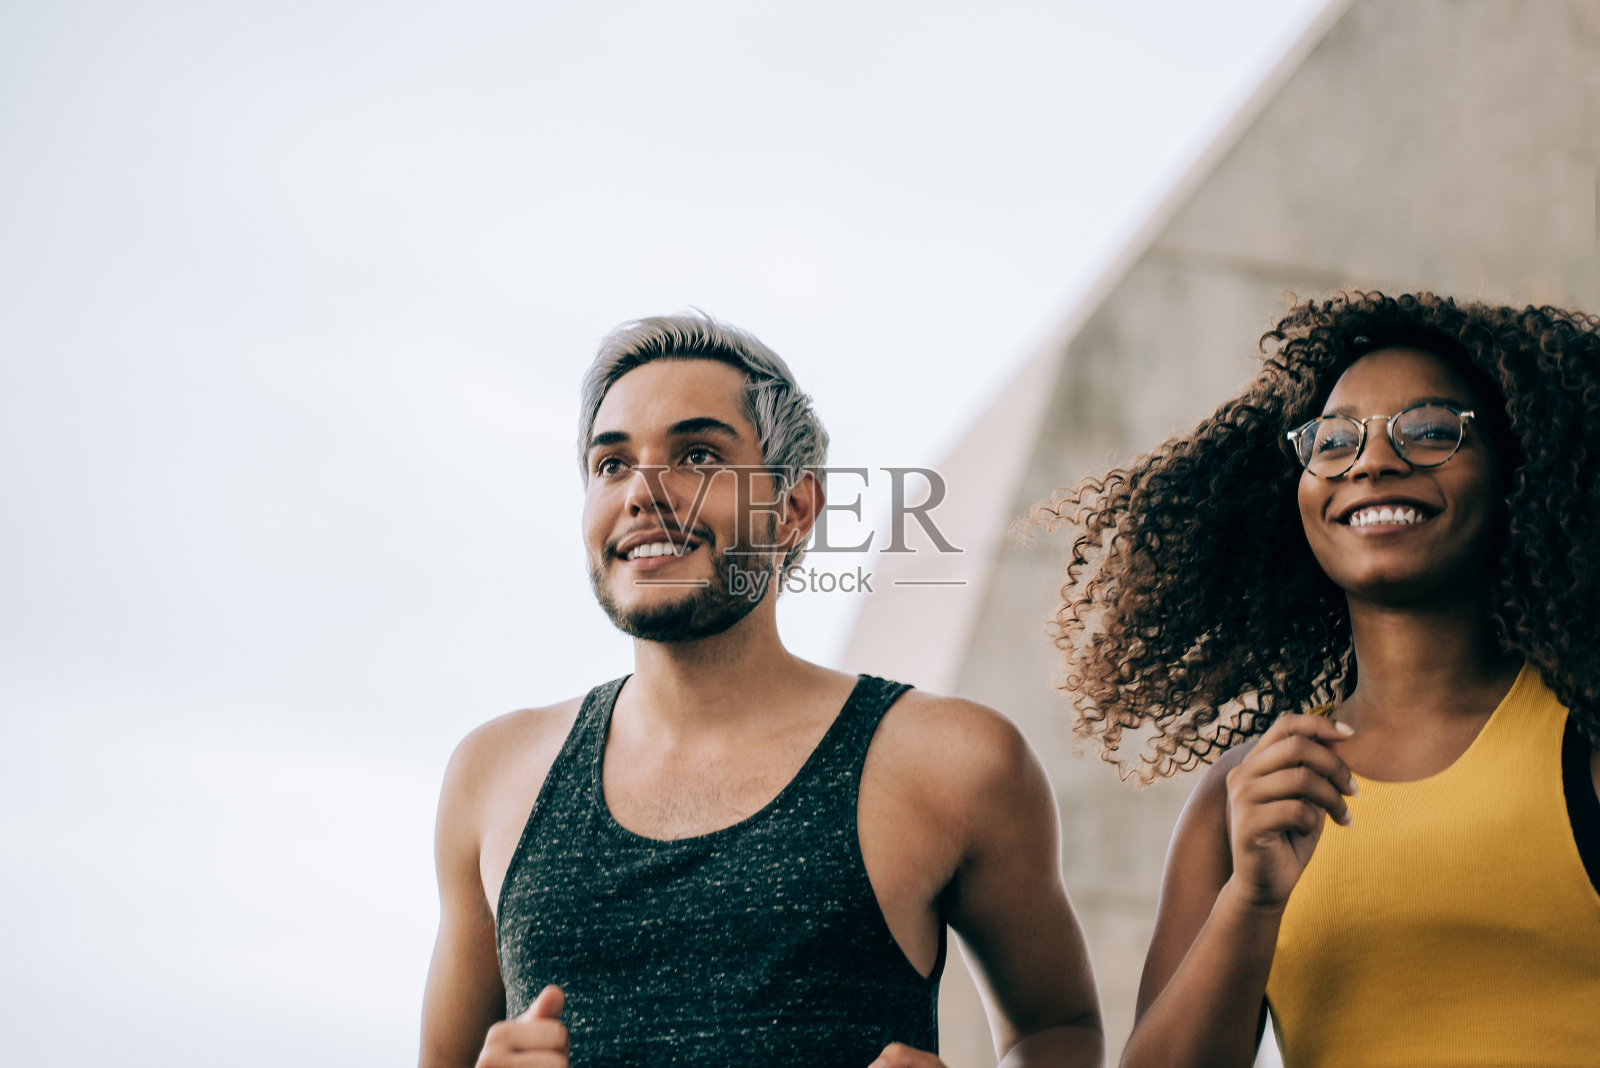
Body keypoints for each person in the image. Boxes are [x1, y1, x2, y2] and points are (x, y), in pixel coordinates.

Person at [420, 313, 1103, 1068]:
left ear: (794, 509)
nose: (643, 491)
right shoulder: (491, 777)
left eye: (697, 455)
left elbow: (1059, 1028)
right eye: (611, 464)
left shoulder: (955, 761)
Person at [1035, 291, 1600, 1066]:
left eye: (1430, 431)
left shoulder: (1584, 738)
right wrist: (1251, 901)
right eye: (1333, 442)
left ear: (1519, 473)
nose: (1372, 461)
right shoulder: (1249, 795)